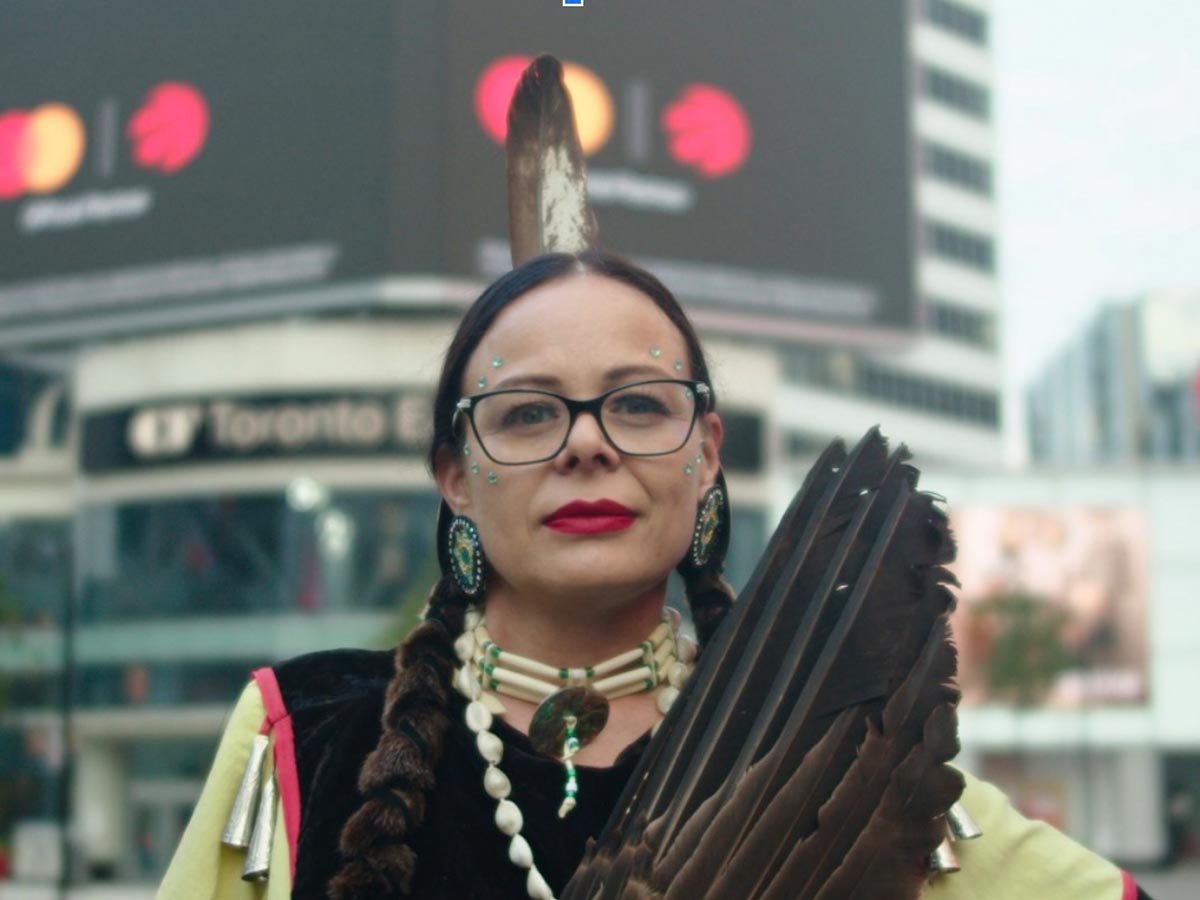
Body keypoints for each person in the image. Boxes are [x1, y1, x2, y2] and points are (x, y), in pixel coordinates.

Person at [157, 251, 1146, 900]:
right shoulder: (304, 738)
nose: (587, 446)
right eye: (529, 413)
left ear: (706, 452)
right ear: (455, 477)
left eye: (638, 406)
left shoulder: (835, 755)